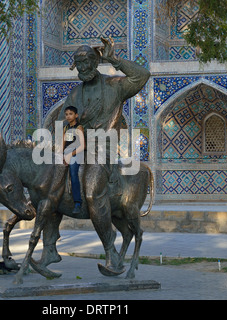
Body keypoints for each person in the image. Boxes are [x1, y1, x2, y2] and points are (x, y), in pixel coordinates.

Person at [56, 37, 150, 274]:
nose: (83, 67)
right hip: (78, 149)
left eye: (87, 62)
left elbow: (142, 76)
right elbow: (60, 126)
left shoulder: (114, 85)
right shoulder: (75, 94)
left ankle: (111, 253)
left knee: (91, 189)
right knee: (47, 185)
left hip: (103, 150)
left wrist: (114, 60)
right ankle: (48, 248)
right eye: (79, 64)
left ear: (96, 62)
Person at [63, 106, 85, 214]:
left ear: (76, 115)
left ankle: (77, 202)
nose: (68, 116)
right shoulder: (66, 128)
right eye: (66, 114)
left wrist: (70, 155)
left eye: (70, 114)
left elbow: (82, 146)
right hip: (67, 153)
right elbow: (63, 145)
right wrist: (61, 155)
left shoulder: (78, 128)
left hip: (77, 153)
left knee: (73, 172)